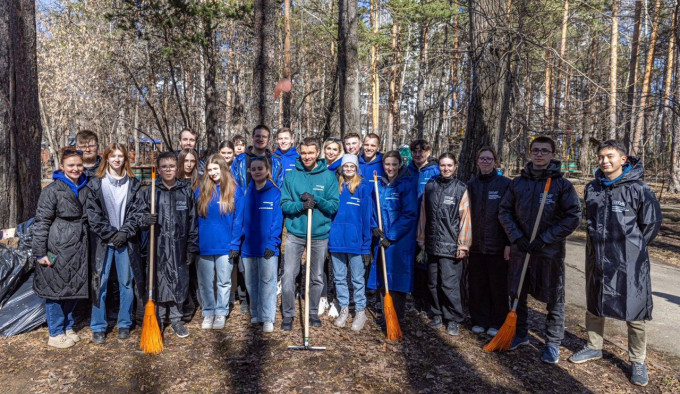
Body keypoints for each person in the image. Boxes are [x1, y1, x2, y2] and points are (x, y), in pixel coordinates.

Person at [569, 140, 662, 387]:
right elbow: (589, 221)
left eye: (610, 156)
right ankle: (593, 346)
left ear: (623, 160)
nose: (604, 161)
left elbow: (650, 225)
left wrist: (632, 249)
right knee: (595, 303)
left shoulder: (640, 189)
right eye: (600, 157)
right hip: (598, 257)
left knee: (635, 310)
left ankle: (638, 361)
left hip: (629, 261)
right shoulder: (592, 188)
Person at [498, 135, 581, 364]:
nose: (540, 154)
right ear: (529, 153)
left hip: (549, 252)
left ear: (552, 154)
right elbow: (504, 212)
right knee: (517, 294)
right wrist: (517, 237)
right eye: (536, 150)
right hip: (521, 249)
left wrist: (544, 239)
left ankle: (552, 343)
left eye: (545, 150)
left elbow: (573, 216)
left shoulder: (561, 185)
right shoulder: (518, 183)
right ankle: (521, 334)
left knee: (554, 298)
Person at [85, 143, 145, 344]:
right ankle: (98, 326)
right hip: (103, 242)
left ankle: (125, 323)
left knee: (126, 283)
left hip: (126, 242)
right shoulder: (96, 183)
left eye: (120, 156)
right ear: (107, 158)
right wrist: (111, 234)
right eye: (113, 156)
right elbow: (93, 215)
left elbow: (138, 213)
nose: (117, 159)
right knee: (99, 283)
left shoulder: (134, 184)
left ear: (125, 159)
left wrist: (125, 232)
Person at [32, 147, 90, 348]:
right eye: (71, 165)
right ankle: (55, 332)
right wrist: (40, 252)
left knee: (73, 285)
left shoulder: (86, 186)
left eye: (79, 165)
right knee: (55, 289)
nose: (76, 169)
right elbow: (41, 222)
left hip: (79, 245)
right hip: (56, 246)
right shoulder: (51, 191)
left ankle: (67, 326)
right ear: (62, 167)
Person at [280, 137, 339, 330]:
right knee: (288, 274)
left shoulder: (328, 177)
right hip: (296, 233)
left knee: (316, 277)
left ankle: (312, 312)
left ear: (317, 153)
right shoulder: (291, 176)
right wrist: (301, 205)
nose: (307, 156)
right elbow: (285, 204)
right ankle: (288, 314)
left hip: (318, 234)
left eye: (310, 153)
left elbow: (333, 205)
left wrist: (318, 201)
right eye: (304, 153)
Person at [140, 152, 199, 338]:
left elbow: (193, 220)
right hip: (156, 245)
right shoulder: (150, 191)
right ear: (158, 169)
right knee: (158, 280)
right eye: (164, 166)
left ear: (178, 168)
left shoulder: (185, 190)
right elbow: (137, 217)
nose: (168, 169)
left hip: (179, 243)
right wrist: (144, 219)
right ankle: (159, 317)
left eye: (171, 166)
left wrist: (192, 245)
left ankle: (176, 318)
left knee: (179, 280)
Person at [416, 153, 471, 336]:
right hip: (432, 244)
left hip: (451, 245)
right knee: (433, 282)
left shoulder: (460, 188)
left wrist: (463, 244)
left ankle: (453, 318)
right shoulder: (431, 186)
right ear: (438, 166)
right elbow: (423, 215)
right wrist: (422, 238)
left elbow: (465, 219)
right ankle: (437, 314)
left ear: (455, 166)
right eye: (442, 165)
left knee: (449, 284)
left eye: (449, 165)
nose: (445, 168)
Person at [466, 147, 511, 337]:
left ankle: (497, 320)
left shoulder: (505, 185)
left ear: (495, 162)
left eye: (489, 159)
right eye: (482, 159)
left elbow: (511, 215)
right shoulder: (471, 185)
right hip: (475, 245)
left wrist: (509, 243)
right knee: (478, 285)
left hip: (498, 246)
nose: (485, 162)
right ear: (477, 162)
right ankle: (479, 319)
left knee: (498, 286)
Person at [367, 151, 417, 322]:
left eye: (394, 164)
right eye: (387, 164)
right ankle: (384, 311)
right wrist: (374, 227)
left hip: (399, 240)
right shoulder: (379, 184)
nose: (390, 168)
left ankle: (398, 315)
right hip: (381, 238)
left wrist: (392, 235)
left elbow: (409, 214)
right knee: (382, 275)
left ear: (399, 165)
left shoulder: (406, 184)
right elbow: (372, 209)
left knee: (398, 276)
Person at [235, 157, 283, 333]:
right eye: (253, 169)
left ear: (267, 171)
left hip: (268, 248)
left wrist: (273, 243)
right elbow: (240, 219)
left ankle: (268, 317)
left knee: (267, 282)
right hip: (248, 247)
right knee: (251, 282)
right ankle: (255, 312)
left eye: (260, 168)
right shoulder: (246, 193)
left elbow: (277, 222)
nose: (256, 171)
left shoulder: (275, 193)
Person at [195, 154, 242, 330]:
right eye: (210, 170)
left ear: (223, 168)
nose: (213, 173)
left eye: (216, 169)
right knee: (205, 282)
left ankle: (221, 312)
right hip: (204, 245)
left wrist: (235, 244)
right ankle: (208, 312)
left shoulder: (234, 191)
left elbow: (238, 220)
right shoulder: (200, 190)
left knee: (224, 281)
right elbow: (193, 218)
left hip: (226, 245)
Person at [328, 154, 372, 331]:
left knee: (357, 279)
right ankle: (344, 308)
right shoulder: (336, 186)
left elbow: (367, 218)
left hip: (356, 242)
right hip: (337, 240)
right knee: (339, 277)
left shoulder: (362, 187)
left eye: (351, 166)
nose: (348, 169)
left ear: (356, 168)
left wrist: (366, 245)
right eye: (345, 166)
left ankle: (360, 311)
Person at [407, 139, 440, 317]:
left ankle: (429, 301)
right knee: (413, 261)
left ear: (428, 152)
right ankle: (416, 298)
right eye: (415, 151)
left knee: (426, 263)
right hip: (410, 221)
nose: (419, 155)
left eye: (422, 151)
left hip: (428, 221)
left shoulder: (434, 171)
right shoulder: (407, 171)